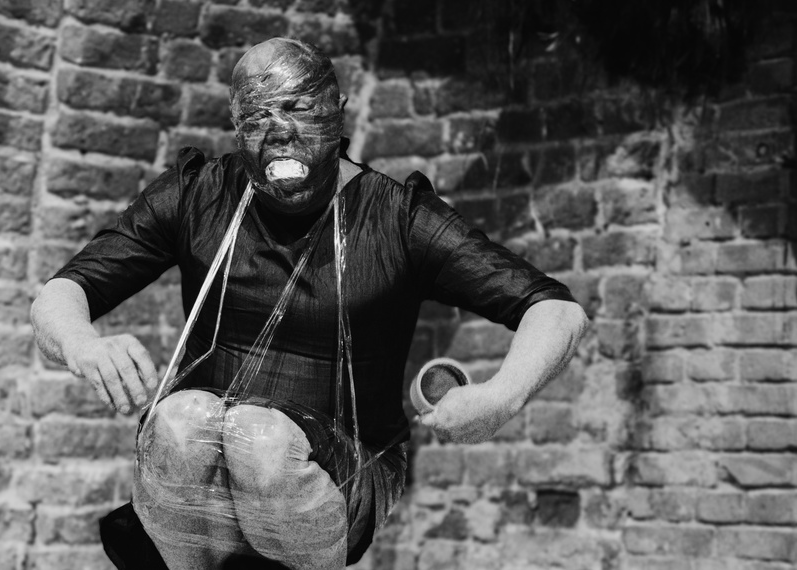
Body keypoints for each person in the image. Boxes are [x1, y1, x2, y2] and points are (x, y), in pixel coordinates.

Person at [30, 37, 588, 570]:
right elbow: (61, 293)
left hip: (339, 470)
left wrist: (501, 397)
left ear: (338, 113)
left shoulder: (396, 219)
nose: (280, 134)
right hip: (199, 458)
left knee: (262, 442)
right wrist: (83, 346)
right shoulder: (198, 194)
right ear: (236, 126)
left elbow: (556, 310)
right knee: (181, 419)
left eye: (299, 110)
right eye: (257, 118)